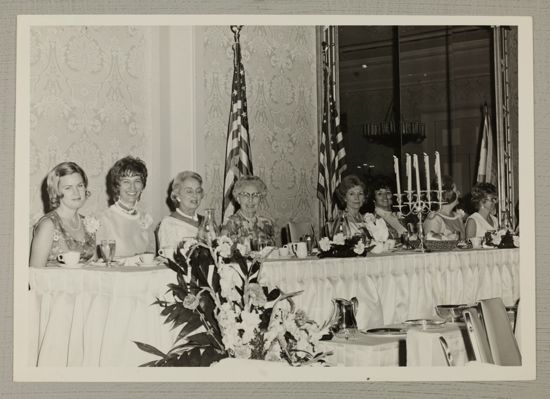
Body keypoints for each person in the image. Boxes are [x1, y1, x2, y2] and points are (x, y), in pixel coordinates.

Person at [29, 162, 96, 267]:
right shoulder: (48, 225)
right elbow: (35, 275)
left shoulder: (88, 223)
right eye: (68, 188)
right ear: (56, 192)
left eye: (80, 185)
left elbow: (95, 266)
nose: (76, 192)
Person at [96, 156, 155, 257]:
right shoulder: (104, 219)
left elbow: (151, 257)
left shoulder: (146, 219)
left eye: (137, 181)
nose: (132, 187)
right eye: (126, 181)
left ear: (142, 185)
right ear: (117, 186)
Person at [221, 175, 275, 248]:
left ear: (261, 199)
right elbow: (224, 254)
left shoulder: (267, 223)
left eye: (255, 195)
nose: (250, 200)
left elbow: (273, 252)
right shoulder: (230, 223)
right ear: (238, 198)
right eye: (245, 195)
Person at [157, 171, 205, 252]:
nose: (195, 195)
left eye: (198, 191)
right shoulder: (169, 223)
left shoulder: (206, 222)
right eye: (189, 191)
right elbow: (168, 259)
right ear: (177, 195)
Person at [423, 175, 465, 240]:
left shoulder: (457, 216)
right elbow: (430, 244)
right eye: (456, 190)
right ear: (447, 194)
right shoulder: (434, 218)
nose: (459, 193)